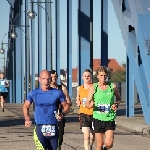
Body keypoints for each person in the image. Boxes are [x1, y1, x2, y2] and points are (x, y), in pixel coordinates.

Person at [23, 70, 70, 150]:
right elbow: (25, 106)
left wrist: (62, 114)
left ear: (51, 80)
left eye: (48, 79)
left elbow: (67, 106)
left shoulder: (57, 93)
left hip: (54, 127)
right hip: (40, 127)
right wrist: (27, 119)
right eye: (44, 78)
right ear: (40, 79)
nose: (46, 81)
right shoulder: (33, 93)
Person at [86, 66, 121, 150]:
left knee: (109, 144)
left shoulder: (112, 86)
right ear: (97, 76)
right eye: (101, 75)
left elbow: (119, 99)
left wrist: (115, 104)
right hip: (98, 118)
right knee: (100, 144)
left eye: (105, 75)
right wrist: (90, 105)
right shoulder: (94, 87)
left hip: (109, 118)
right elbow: (87, 103)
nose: (103, 77)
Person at [49, 70, 72, 150]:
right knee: (47, 141)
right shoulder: (45, 89)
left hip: (59, 117)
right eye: (51, 77)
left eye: (55, 77)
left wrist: (63, 112)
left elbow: (68, 103)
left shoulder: (62, 88)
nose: (53, 78)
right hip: (47, 118)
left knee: (58, 141)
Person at [76, 69, 95, 150]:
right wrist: (77, 101)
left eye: (88, 76)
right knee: (86, 135)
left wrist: (93, 102)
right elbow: (78, 98)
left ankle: (90, 146)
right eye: (85, 76)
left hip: (94, 114)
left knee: (92, 136)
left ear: (91, 77)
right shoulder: (79, 88)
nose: (87, 77)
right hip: (83, 114)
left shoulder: (94, 87)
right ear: (82, 77)